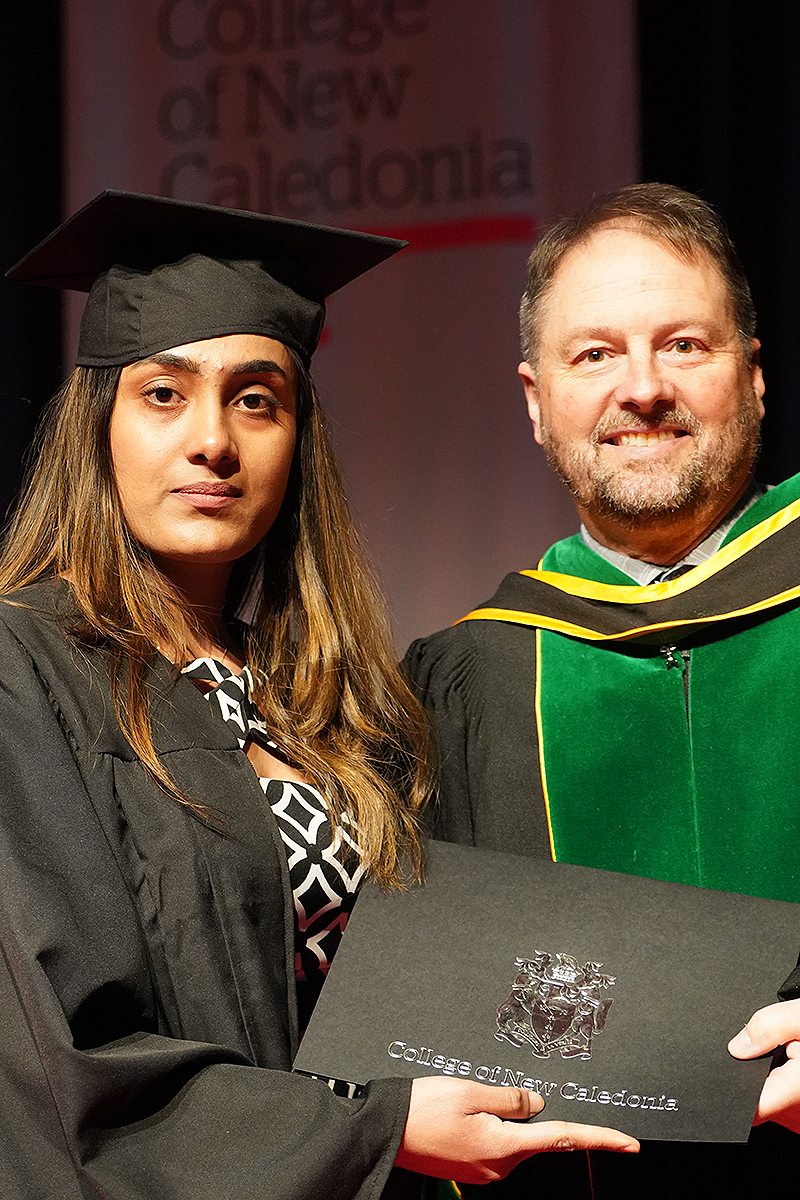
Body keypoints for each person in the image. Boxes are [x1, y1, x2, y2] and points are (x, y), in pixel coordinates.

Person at [0, 190, 638, 1198]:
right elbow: (60, 1065)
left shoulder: (320, 703)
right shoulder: (26, 671)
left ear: (297, 439)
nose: (213, 440)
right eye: (163, 394)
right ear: (98, 428)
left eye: (257, 399)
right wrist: (376, 1129)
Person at [405, 183, 800, 1197]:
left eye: (683, 345)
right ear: (536, 402)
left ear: (755, 376)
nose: (643, 388)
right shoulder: (471, 678)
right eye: (593, 355)